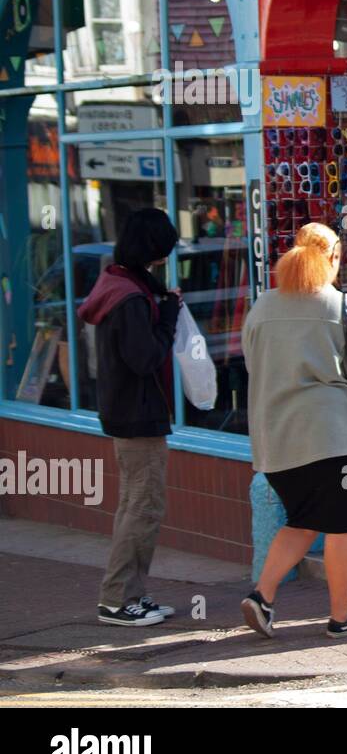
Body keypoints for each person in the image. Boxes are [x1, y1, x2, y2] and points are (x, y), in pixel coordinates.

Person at [239, 223, 347, 639]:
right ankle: (342, 617)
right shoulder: (340, 305)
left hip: (274, 443)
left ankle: (262, 598)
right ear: (335, 258)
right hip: (328, 439)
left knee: (304, 520)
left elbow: (252, 364)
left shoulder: (263, 306)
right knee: (341, 526)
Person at [78, 208, 182, 627]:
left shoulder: (119, 280)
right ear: (152, 248)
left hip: (124, 411)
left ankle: (128, 595)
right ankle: (119, 600)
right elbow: (146, 358)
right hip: (139, 415)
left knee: (134, 506)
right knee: (144, 507)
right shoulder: (131, 297)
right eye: (163, 251)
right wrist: (171, 316)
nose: (165, 258)